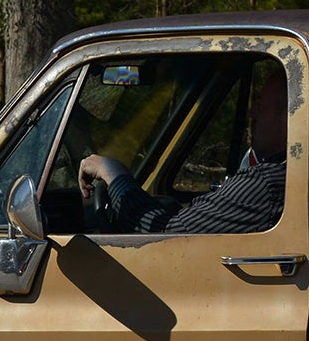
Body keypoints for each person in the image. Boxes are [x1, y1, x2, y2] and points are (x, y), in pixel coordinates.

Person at [78, 73, 289, 234]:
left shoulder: (269, 183)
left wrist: (114, 175)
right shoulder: (287, 176)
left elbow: (167, 235)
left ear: (289, 119)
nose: (251, 112)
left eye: (260, 107)